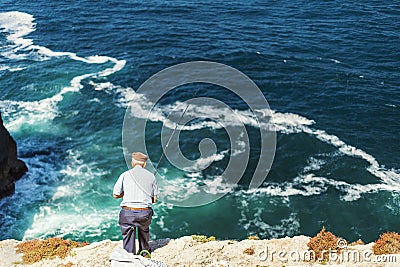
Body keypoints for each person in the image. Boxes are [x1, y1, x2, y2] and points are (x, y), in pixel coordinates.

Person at [113, 152, 159, 256]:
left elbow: (115, 194)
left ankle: (130, 256)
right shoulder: (151, 176)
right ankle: (145, 252)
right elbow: (155, 199)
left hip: (127, 213)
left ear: (133, 163)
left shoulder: (125, 175)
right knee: (144, 229)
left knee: (128, 233)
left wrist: (125, 194)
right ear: (144, 164)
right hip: (144, 213)